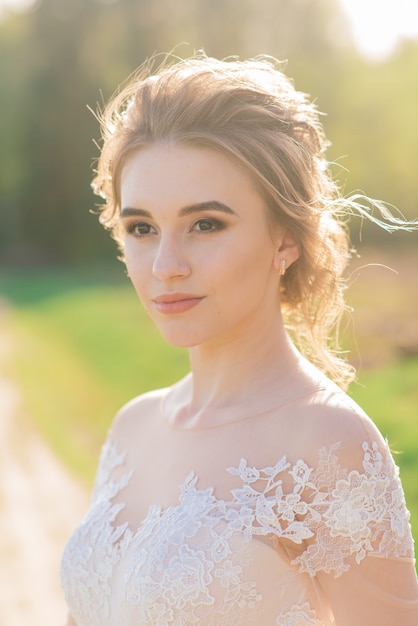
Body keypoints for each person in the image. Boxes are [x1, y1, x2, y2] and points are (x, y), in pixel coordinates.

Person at [60, 53, 418, 626]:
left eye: (206, 224)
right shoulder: (132, 427)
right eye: (142, 228)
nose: (166, 265)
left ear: (285, 239)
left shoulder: (329, 445)